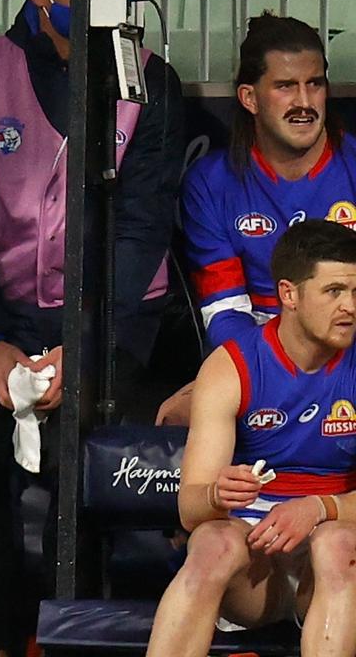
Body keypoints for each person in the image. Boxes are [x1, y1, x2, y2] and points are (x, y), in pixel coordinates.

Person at [0, 0, 185, 653]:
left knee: (92, 461)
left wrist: (87, 345)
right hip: (3, 320)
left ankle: (81, 641)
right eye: (81, 0)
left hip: (113, 326)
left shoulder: (149, 82)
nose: (103, 16)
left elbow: (141, 229)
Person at [145, 219, 356, 657]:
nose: (349, 307)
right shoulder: (232, 366)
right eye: (334, 291)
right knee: (209, 544)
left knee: (339, 544)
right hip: (256, 572)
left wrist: (320, 508)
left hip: (334, 565)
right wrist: (218, 494)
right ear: (289, 294)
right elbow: (190, 507)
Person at [157, 13, 355, 426]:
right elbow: (225, 311)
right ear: (250, 97)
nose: (304, 102)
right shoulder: (210, 183)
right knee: (177, 415)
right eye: (286, 86)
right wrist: (277, 372)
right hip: (261, 362)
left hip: (349, 356)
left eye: (314, 84)